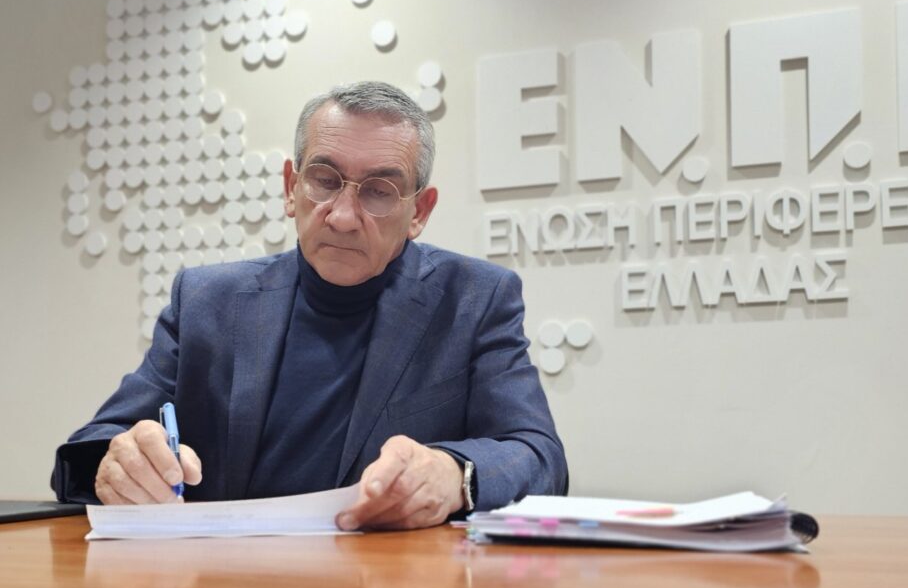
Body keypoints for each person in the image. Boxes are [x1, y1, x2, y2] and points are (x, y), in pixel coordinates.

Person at [52, 81, 568, 530]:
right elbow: (92, 445)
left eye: (378, 191)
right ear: (290, 187)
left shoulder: (474, 299)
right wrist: (115, 465)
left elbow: (539, 456)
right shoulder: (207, 301)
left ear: (419, 211)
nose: (342, 216)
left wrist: (455, 474)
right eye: (324, 180)